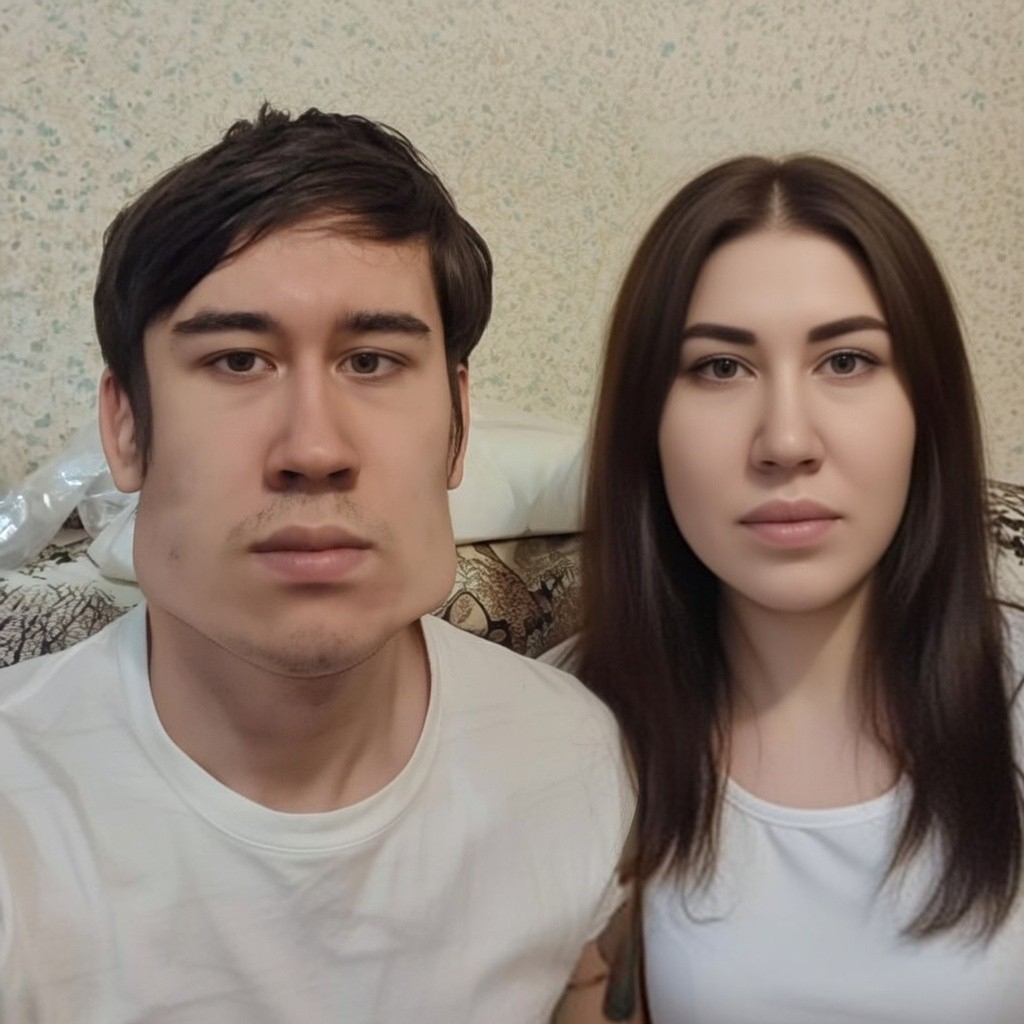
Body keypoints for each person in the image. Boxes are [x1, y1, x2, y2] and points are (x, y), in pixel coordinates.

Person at [0, 106, 635, 1023]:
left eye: (371, 361)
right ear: (126, 426)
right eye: (238, 360)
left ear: (458, 423)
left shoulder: (583, 763)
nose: (314, 448)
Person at [575, 156, 1024, 1022]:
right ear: (646, 427)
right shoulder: (568, 733)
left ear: (926, 411)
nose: (785, 440)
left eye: (846, 360)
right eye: (720, 368)